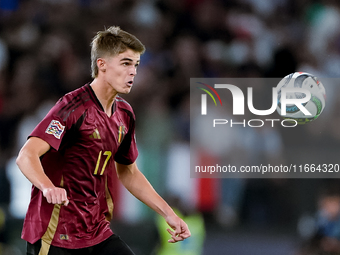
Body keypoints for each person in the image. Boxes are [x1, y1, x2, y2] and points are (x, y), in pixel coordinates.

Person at [16, 26, 191, 255]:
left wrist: (169, 213)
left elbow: (128, 173)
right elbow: (26, 156)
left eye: (136, 65)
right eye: (126, 63)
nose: (133, 72)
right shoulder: (72, 108)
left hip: (96, 233)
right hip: (56, 234)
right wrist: (48, 188)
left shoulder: (125, 114)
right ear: (102, 65)